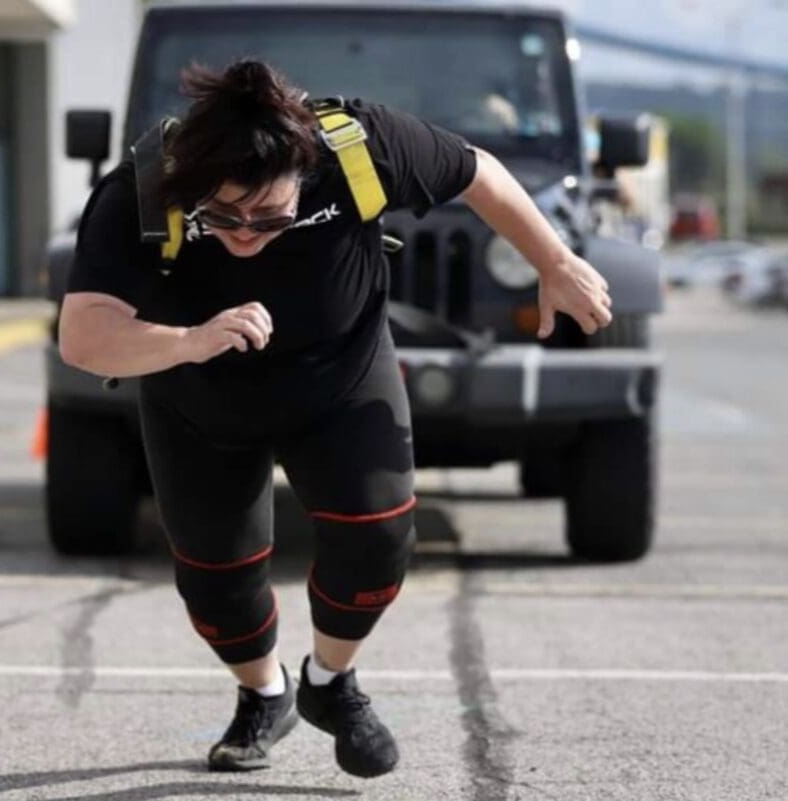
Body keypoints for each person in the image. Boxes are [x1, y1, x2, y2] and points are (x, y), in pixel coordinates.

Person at [60, 60, 612, 778]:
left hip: (340, 376)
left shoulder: (361, 146)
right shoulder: (141, 188)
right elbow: (82, 336)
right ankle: (265, 692)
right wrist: (191, 340)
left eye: (271, 216)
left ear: (304, 169)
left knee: (380, 536)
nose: (247, 234)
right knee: (216, 585)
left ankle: (329, 680)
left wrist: (555, 260)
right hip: (197, 398)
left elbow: (480, 172)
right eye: (223, 215)